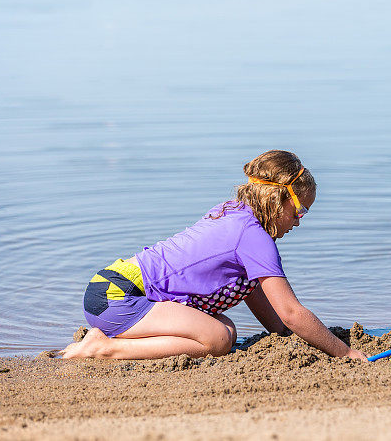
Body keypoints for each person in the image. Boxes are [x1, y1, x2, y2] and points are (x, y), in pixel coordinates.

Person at [61, 150, 367, 362]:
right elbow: (292, 312)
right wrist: (344, 351)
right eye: (299, 210)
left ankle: (113, 339)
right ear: (278, 200)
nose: (299, 220)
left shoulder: (234, 213)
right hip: (119, 297)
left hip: (110, 287)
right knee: (217, 340)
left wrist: (282, 334)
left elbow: (254, 290)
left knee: (228, 330)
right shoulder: (254, 238)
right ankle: (103, 348)